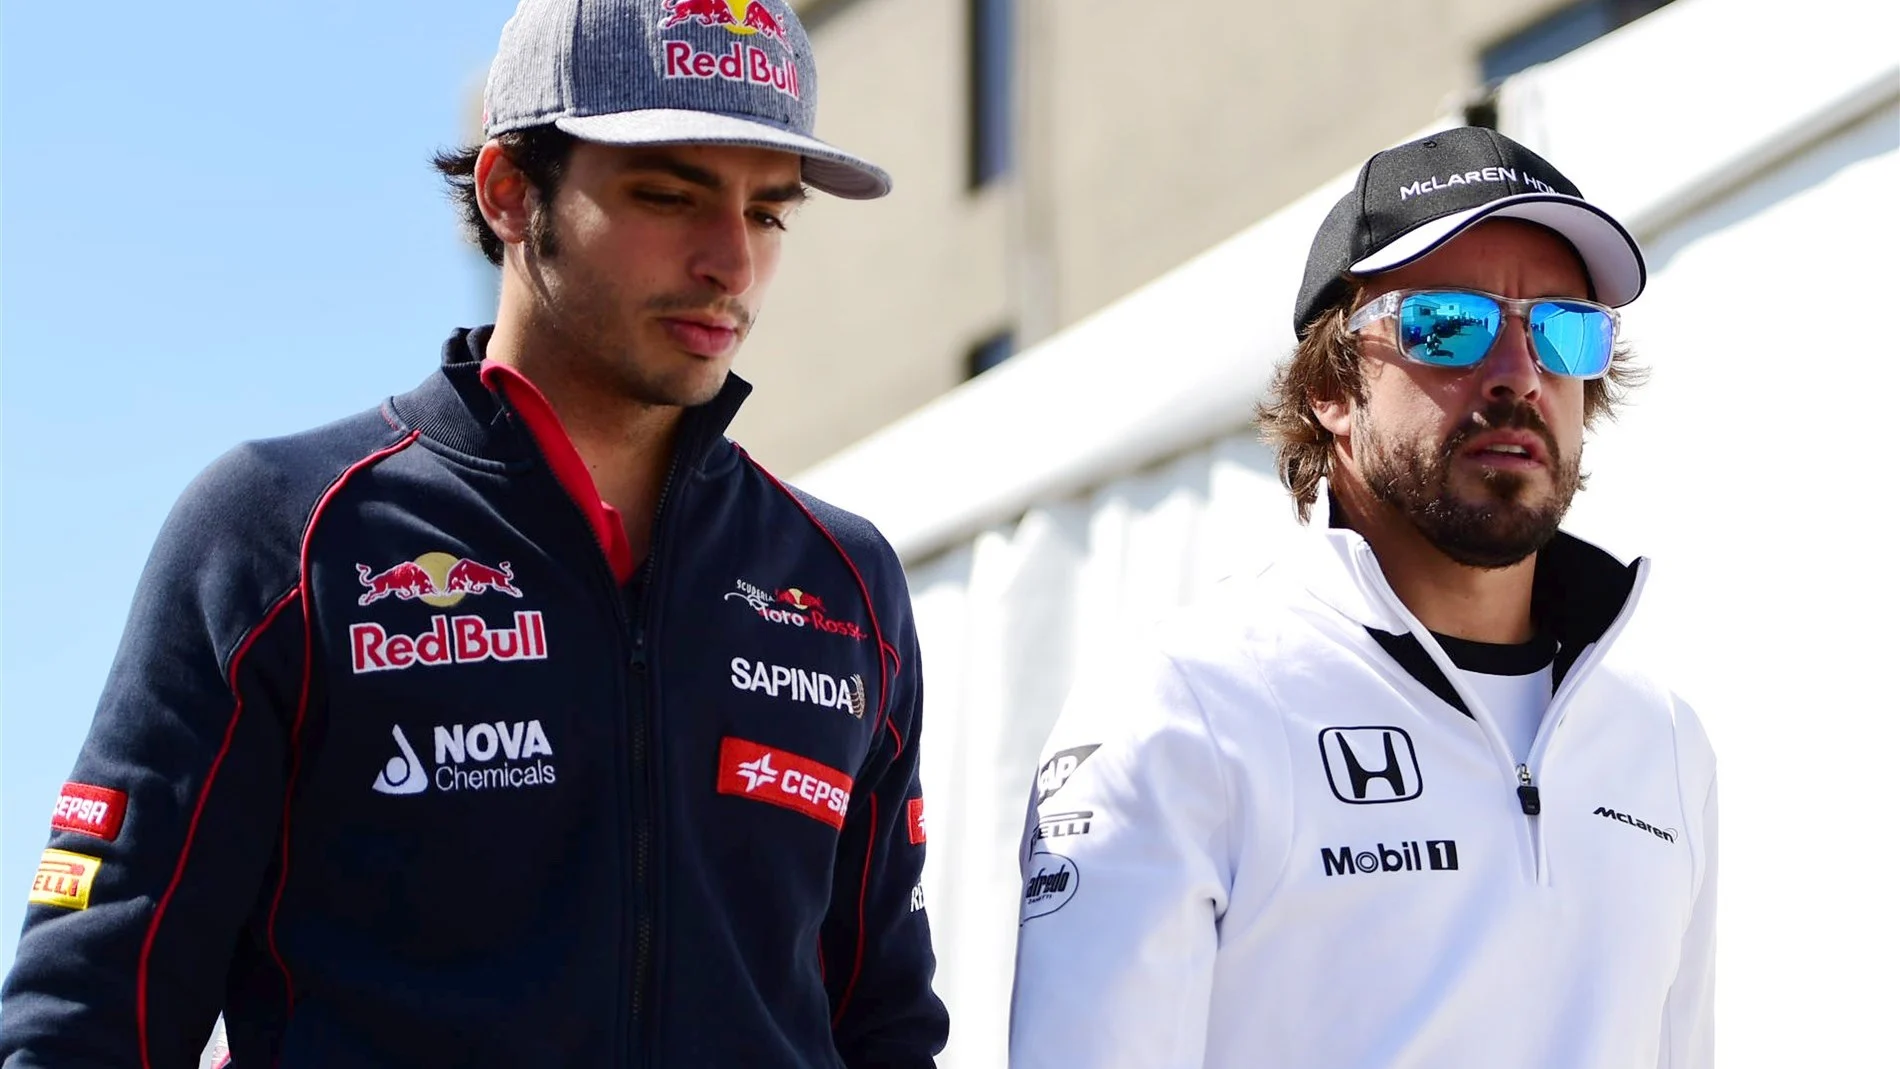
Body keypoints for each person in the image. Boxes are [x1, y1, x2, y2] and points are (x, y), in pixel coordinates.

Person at [0, 1, 948, 1065]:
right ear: (508, 192)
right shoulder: (285, 533)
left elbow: (886, 1026)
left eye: (770, 214)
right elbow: (88, 1015)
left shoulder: (841, 581)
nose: (730, 261)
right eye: (668, 194)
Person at [1008, 127, 1716, 1068]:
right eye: (1447, 323)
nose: (1517, 374)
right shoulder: (1188, 706)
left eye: (1563, 329)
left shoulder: (1663, 742)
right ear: (1332, 388)